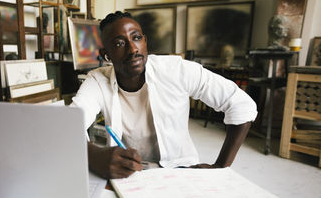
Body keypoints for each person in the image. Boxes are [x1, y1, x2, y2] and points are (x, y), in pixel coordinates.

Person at [71, 11, 257, 179]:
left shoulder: (176, 70)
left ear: (145, 41)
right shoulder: (97, 81)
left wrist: (220, 167)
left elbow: (241, 104)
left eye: (136, 38)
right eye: (119, 43)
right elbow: (69, 125)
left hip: (182, 170)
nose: (133, 49)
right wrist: (92, 155)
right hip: (132, 174)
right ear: (107, 56)